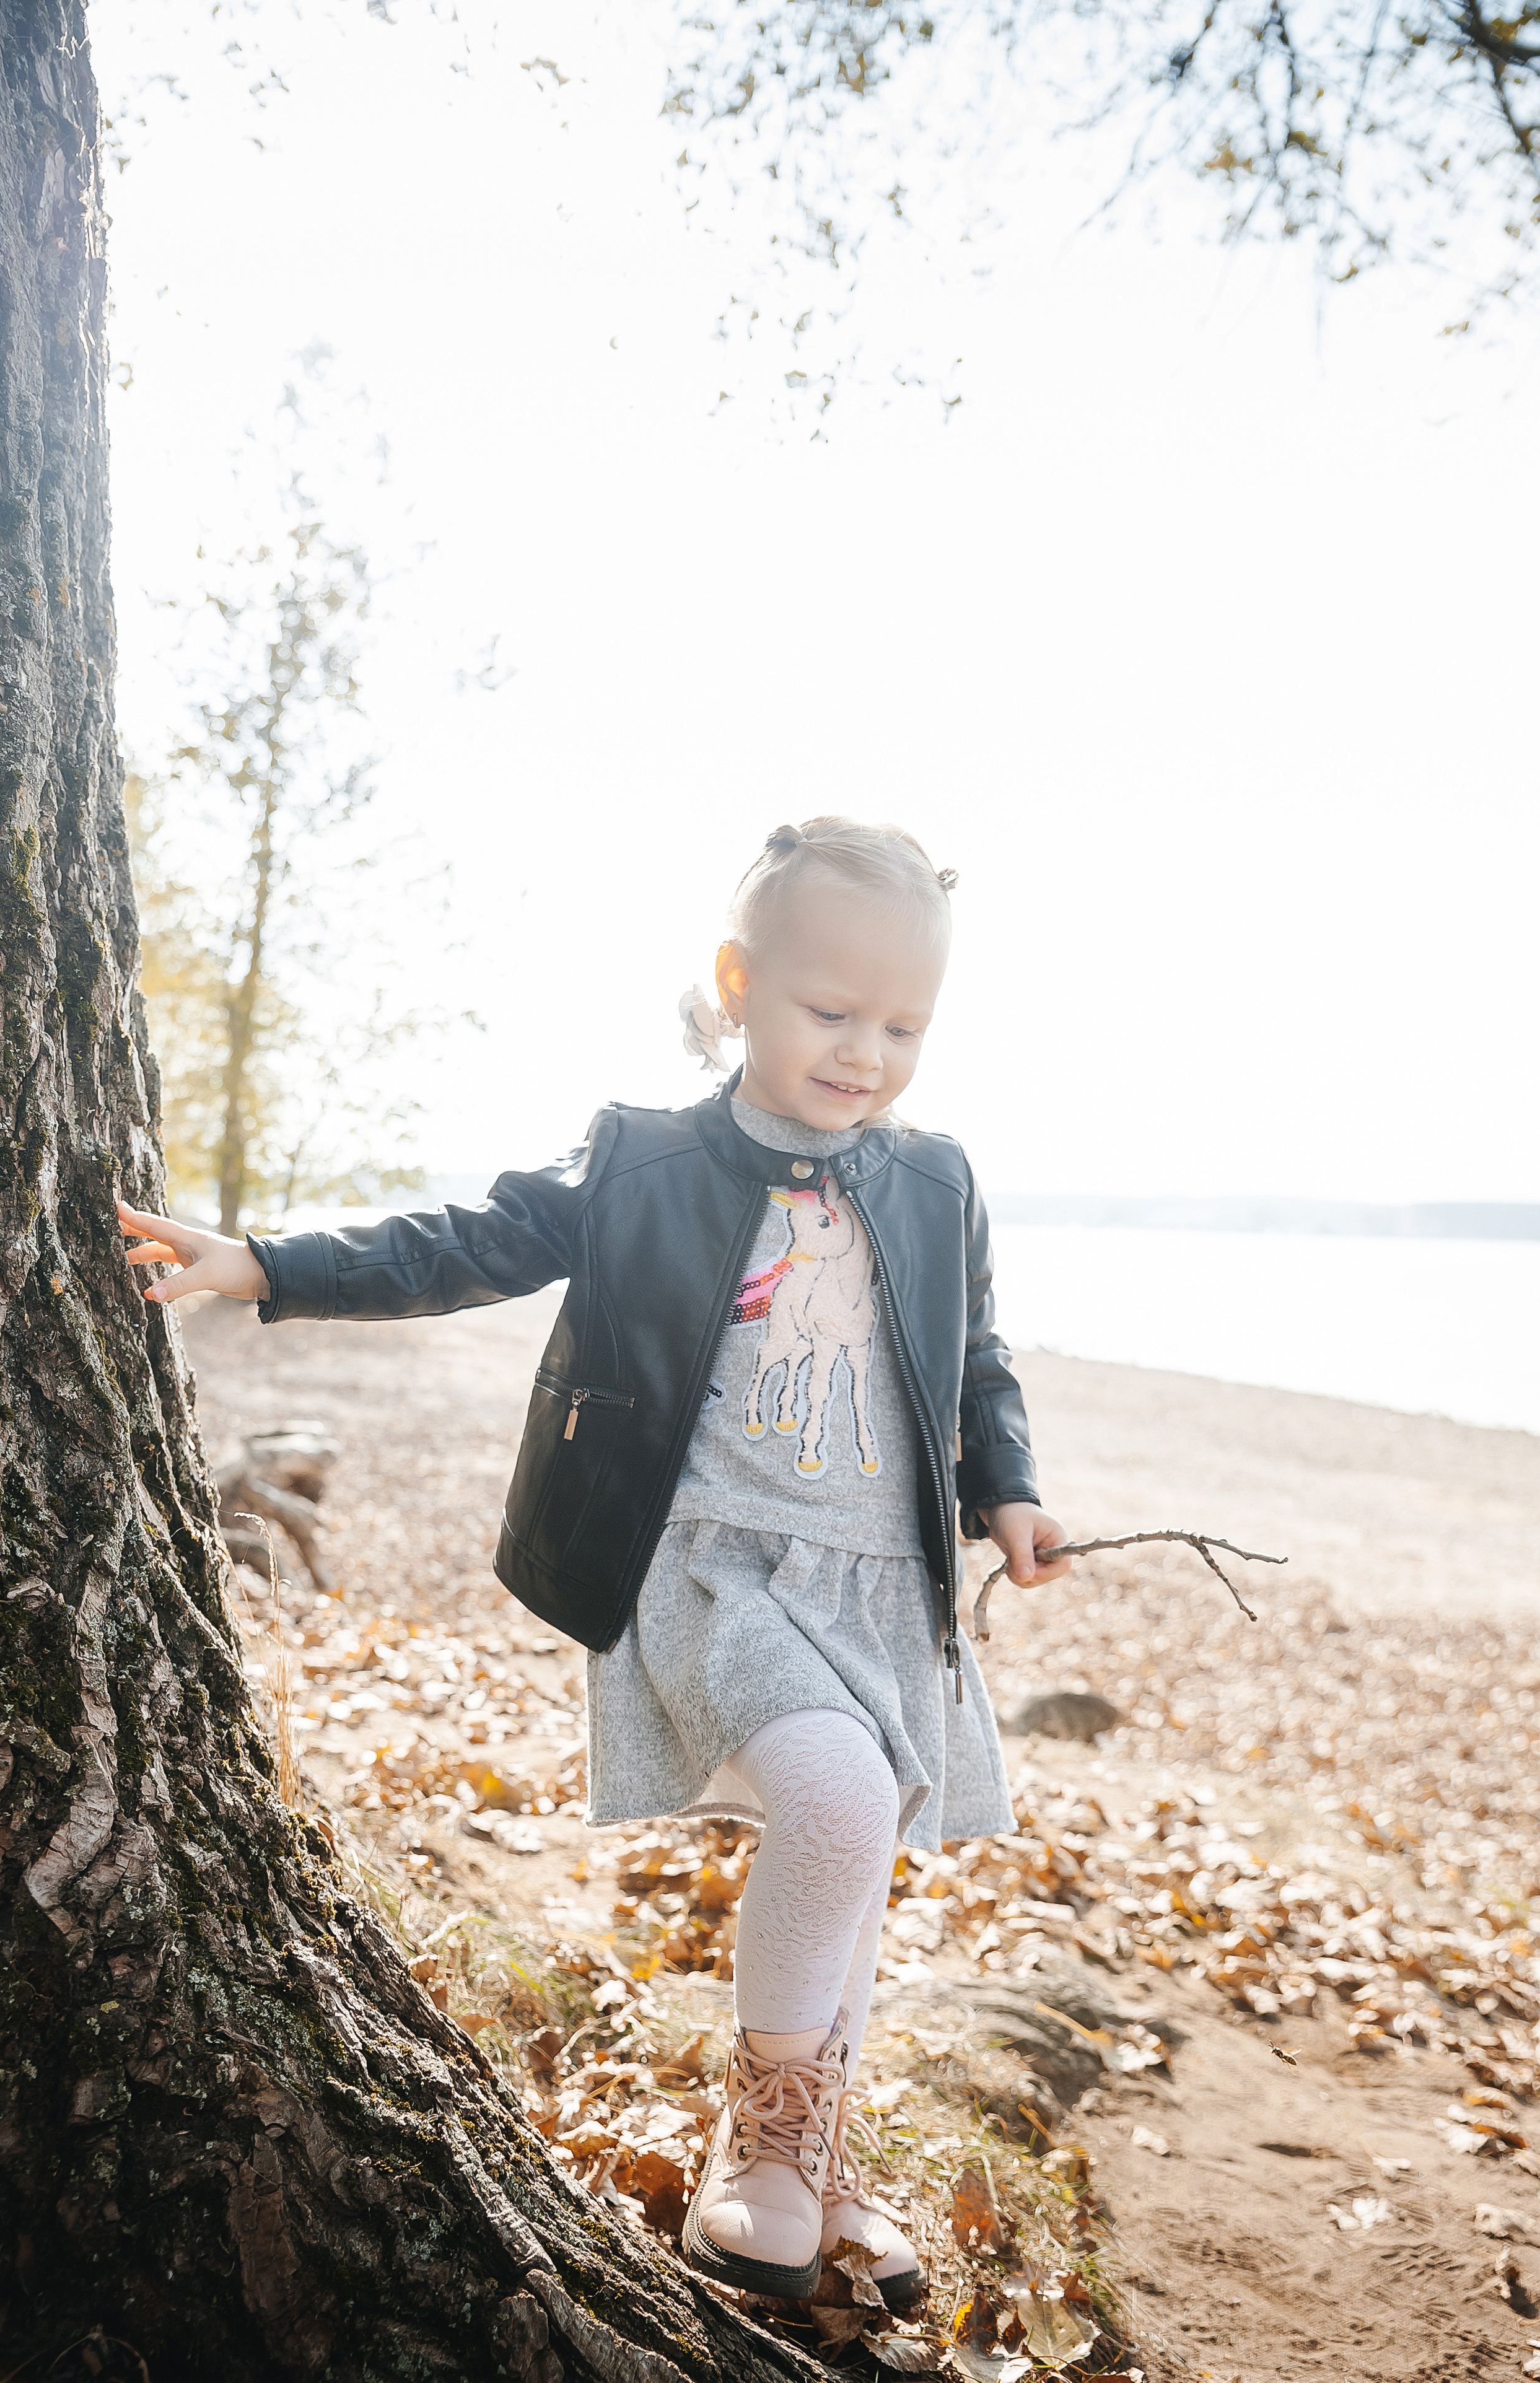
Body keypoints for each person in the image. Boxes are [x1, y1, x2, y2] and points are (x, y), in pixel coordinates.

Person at [117, 815, 1071, 2309]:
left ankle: (822, 2173)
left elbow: (973, 1361)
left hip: (878, 1583)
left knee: (858, 1841)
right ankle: (756, 2155)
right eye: (831, 1011)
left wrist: (1006, 1490)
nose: (865, 1054)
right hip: (707, 1570)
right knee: (828, 1802)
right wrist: (270, 1263)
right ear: (737, 981)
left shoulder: (936, 1180)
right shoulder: (645, 1157)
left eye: (903, 1025)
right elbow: (469, 1242)